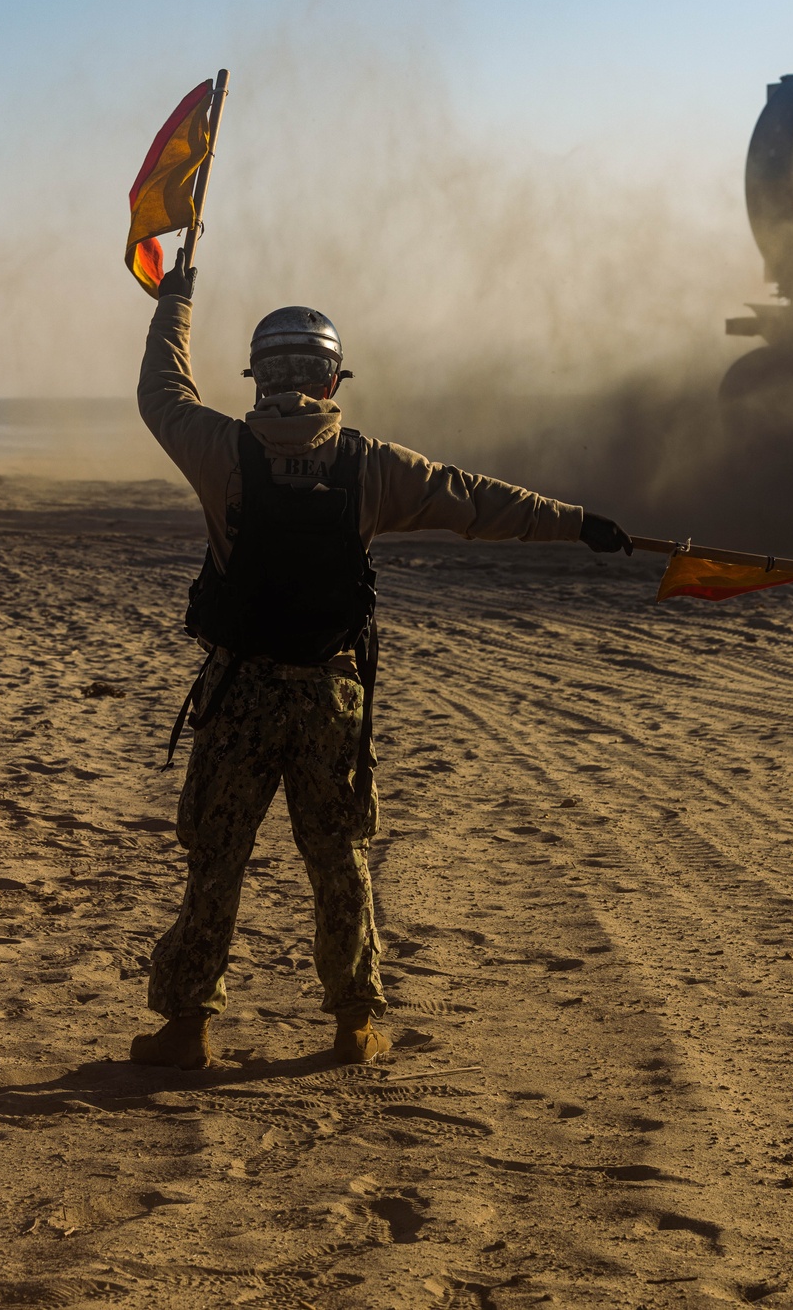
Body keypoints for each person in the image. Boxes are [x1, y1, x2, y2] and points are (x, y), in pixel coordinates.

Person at [130, 250, 631, 1070]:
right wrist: (579, 522)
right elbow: (480, 503)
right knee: (340, 862)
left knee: (216, 860)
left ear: (259, 377)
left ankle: (188, 1027)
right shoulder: (372, 466)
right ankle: (356, 1024)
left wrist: (175, 300)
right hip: (331, 700)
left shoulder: (217, 450)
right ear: (332, 381)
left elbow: (162, 390)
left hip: (240, 696)